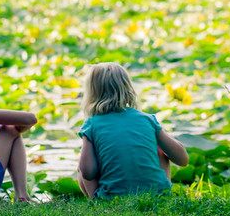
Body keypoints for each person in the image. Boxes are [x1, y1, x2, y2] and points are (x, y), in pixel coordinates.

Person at [77, 62, 189, 198]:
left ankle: (96, 201)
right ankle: (161, 192)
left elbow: (87, 172)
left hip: (113, 199)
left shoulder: (91, 125)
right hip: (156, 196)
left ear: (91, 93)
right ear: (127, 87)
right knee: (161, 152)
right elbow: (183, 160)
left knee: (82, 166)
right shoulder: (147, 119)